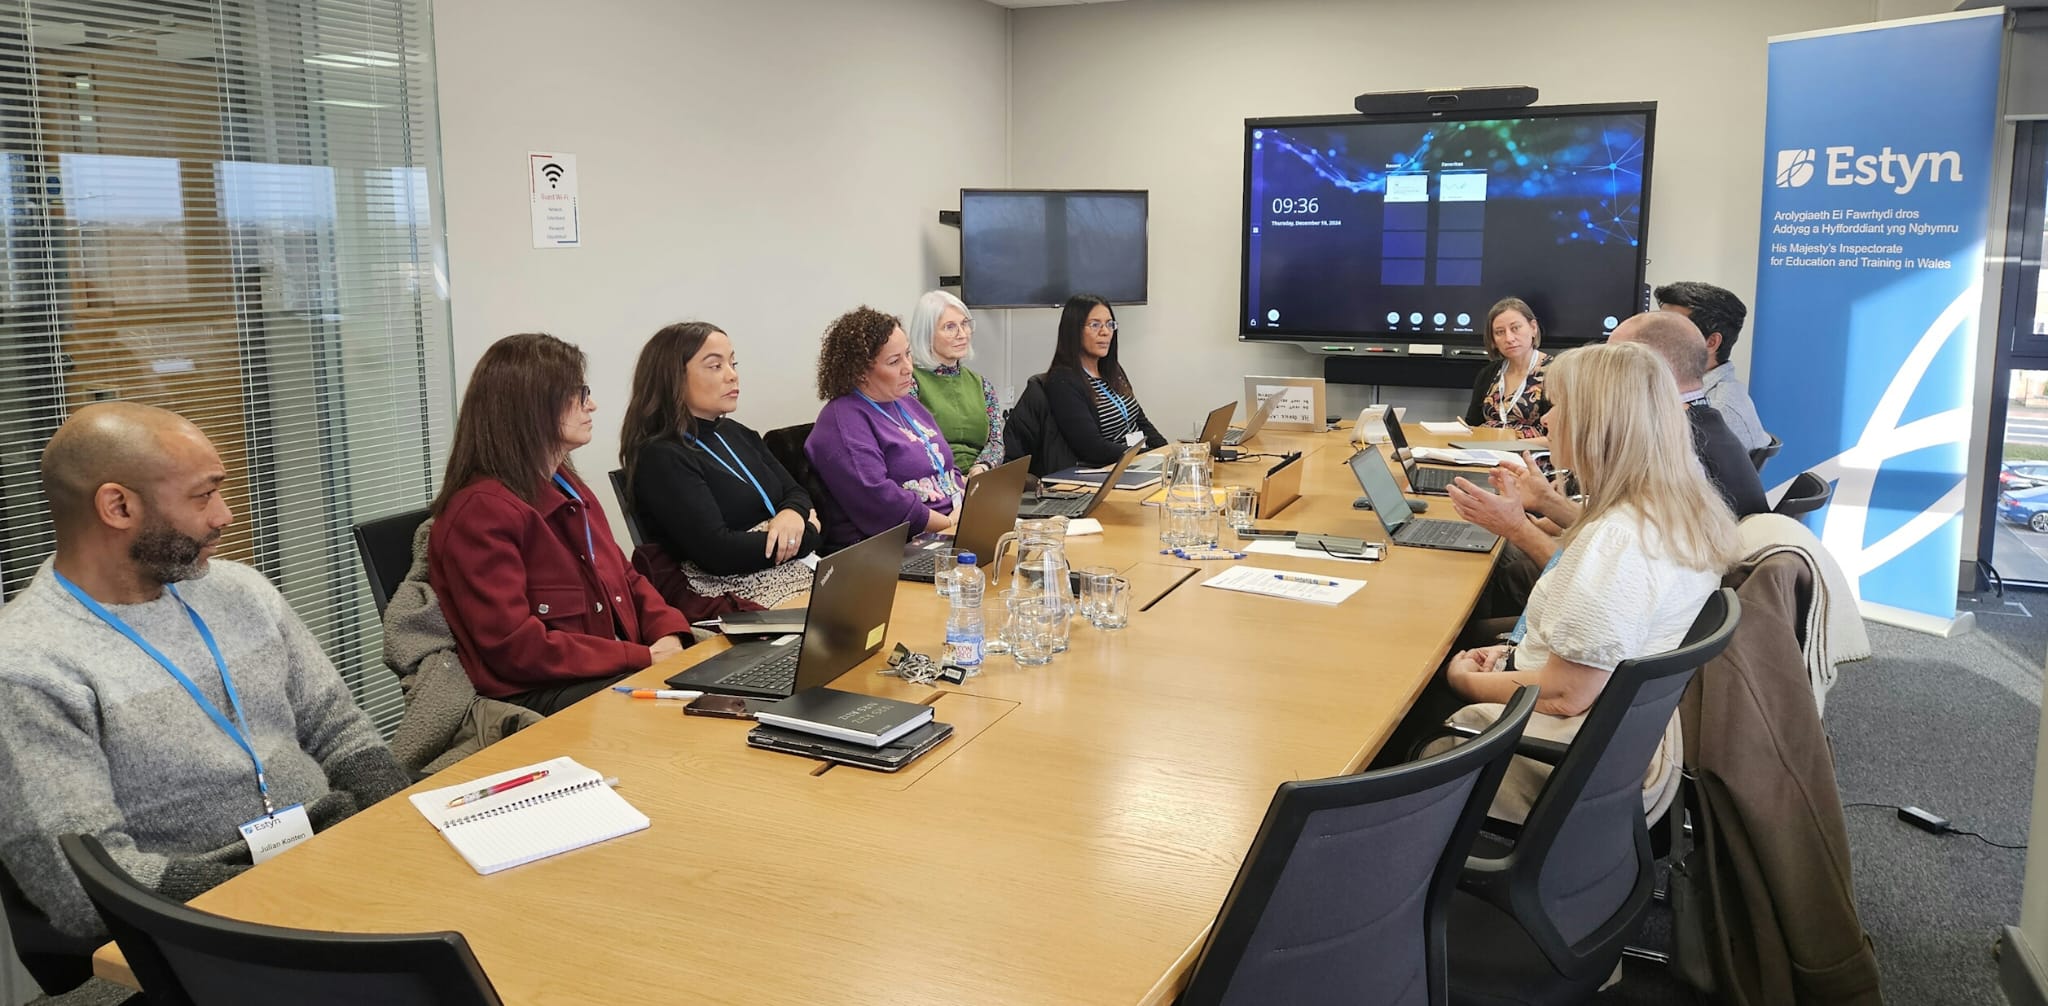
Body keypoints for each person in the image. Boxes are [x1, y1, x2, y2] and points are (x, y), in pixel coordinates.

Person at [0, 403, 409, 945]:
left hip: (337, 857)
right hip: (204, 926)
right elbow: (85, 887)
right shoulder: (30, 665)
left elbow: (338, 728)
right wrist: (290, 895)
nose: (225, 515)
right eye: (203, 495)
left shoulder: (240, 591)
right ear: (118, 506)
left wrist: (404, 836)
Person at [1411, 342, 1743, 822]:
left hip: (1558, 754)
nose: (1546, 420)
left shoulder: (1618, 542)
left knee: (1397, 703)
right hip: (1614, 744)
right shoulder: (1680, 506)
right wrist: (1507, 657)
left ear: (1598, 424)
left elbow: (1567, 695)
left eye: (1559, 407)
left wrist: (1465, 682)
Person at [429, 333, 690, 715]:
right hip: (543, 696)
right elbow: (515, 647)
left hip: (608, 673)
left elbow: (626, 578)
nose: (593, 405)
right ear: (533, 406)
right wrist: (640, 656)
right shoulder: (480, 512)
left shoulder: (570, 487)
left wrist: (668, 633)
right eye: (580, 394)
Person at [620, 321, 821, 608]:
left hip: (792, 570)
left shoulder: (734, 431)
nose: (732, 376)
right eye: (715, 366)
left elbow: (797, 493)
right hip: (735, 592)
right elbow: (720, 552)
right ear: (672, 378)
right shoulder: (661, 456)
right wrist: (808, 533)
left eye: (733, 363)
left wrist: (791, 514)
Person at [806, 306, 964, 548]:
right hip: (902, 543)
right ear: (860, 372)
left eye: (908, 354)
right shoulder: (843, 422)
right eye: (894, 361)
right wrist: (947, 526)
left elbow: (945, 467)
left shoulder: (906, 403)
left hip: (951, 524)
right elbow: (878, 499)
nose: (908, 367)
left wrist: (967, 504)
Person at [1609, 311, 1771, 517]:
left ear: (1656, 366)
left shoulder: (1675, 443)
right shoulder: (1702, 421)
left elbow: (1629, 539)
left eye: (1612, 361)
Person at [1038, 294, 1167, 466]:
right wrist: (1147, 455)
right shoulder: (1063, 381)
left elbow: (1140, 420)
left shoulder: (1112, 370)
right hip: (1108, 470)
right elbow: (1092, 448)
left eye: (1109, 324)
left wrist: (1167, 452)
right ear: (1074, 330)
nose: (1105, 332)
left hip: (1137, 462)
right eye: (1095, 325)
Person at [1656, 280, 1769, 452]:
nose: (1655, 337)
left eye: (1670, 330)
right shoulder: (1684, 392)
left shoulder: (1718, 412)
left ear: (1711, 342)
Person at [906, 290, 1004, 475]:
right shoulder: (910, 383)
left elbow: (996, 441)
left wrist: (982, 467)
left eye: (965, 324)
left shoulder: (983, 385)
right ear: (927, 334)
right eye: (950, 327)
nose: (962, 334)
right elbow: (914, 446)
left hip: (980, 481)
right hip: (937, 482)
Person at [1462, 297, 1551, 439]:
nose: (1509, 338)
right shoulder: (1489, 373)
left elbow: (1560, 439)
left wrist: (1509, 446)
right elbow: (1472, 424)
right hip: (1487, 456)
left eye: (1515, 328)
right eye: (1500, 332)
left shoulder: (1556, 372)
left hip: (1530, 457)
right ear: (1493, 341)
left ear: (1533, 328)